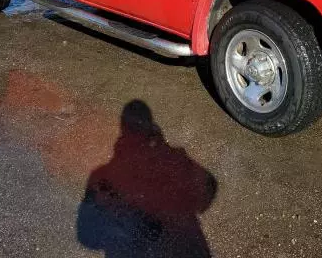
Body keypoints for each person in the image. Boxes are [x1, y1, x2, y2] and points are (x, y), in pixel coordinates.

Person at [77, 100, 217, 258]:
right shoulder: (175, 158)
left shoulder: (104, 174)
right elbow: (208, 190)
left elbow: (87, 237)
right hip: (186, 246)